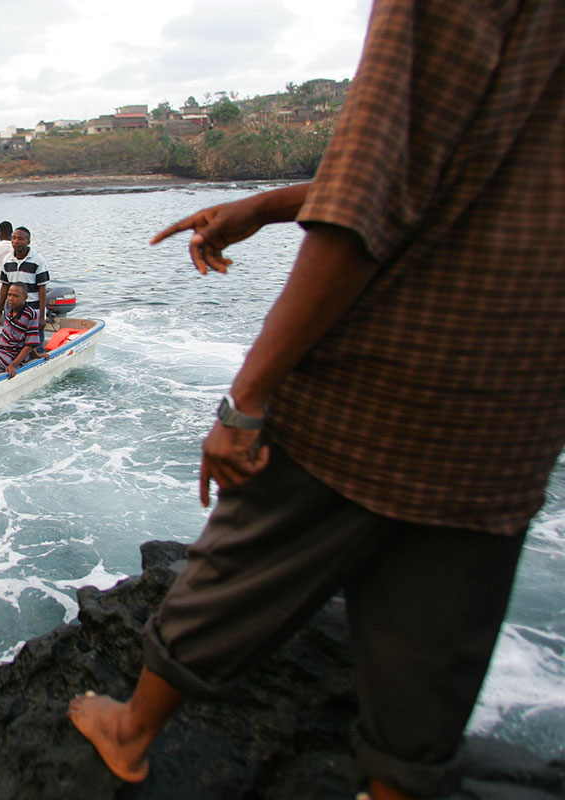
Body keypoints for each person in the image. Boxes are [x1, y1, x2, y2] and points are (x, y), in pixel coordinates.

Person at [67, 2, 565, 799]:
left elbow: (371, 194)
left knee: (244, 557)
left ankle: (132, 731)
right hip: (517, 402)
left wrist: (245, 402)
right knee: (430, 657)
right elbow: (473, 175)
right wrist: (265, 205)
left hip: (383, 381)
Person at [0, 226, 49, 341]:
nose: (16, 241)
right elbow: (4, 287)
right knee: (13, 341)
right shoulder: (7, 260)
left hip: (33, 310)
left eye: (20, 239)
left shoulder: (38, 261)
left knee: (35, 342)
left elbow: (42, 289)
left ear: (28, 242)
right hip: (12, 311)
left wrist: (42, 316)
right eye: (13, 238)